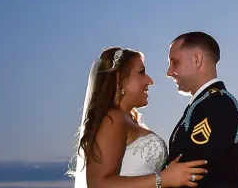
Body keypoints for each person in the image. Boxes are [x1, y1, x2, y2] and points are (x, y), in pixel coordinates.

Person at [70, 46, 208, 188]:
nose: (150, 81)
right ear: (120, 79)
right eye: (141, 72)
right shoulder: (113, 119)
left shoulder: (126, 120)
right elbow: (99, 184)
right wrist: (164, 178)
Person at [165, 32, 238, 188]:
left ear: (197, 60)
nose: (169, 72)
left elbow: (191, 170)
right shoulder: (205, 104)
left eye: (174, 62)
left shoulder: (218, 104)